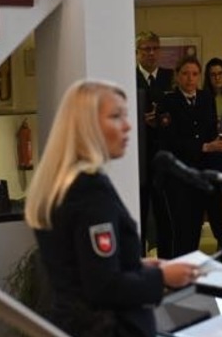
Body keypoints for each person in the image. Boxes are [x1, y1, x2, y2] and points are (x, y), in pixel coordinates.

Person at [24, 80, 199, 337]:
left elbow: (83, 265)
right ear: (87, 125)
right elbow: (103, 286)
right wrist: (162, 277)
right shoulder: (89, 189)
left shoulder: (63, 183)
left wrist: (136, 264)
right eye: (116, 117)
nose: (128, 126)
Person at [156, 57, 222, 258]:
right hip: (178, 174)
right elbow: (169, 140)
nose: (190, 79)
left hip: (202, 172)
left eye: (195, 74)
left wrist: (221, 142)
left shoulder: (206, 98)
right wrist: (204, 146)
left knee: (198, 225)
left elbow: (209, 131)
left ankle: (195, 272)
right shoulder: (168, 101)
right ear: (177, 76)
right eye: (185, 74)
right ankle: (180, 276)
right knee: (183, 230)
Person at [135, 31, 175, 251]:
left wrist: (161, 121)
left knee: (164, 211)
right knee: (138, 210)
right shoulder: (128, 76)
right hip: (138, 155)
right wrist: (141, 120)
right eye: (146, 49)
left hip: (164, 153)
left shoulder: (170, 77)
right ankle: (138, 258)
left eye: (154, 48)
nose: (151, 53)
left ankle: (167, 260)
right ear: (137, 53)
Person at [200, 57, 222, 250]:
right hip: (211, 155)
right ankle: (220, 240)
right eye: (212, 75)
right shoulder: (203, 97)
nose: (217, 78)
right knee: (213, 200)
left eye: (220, 73)